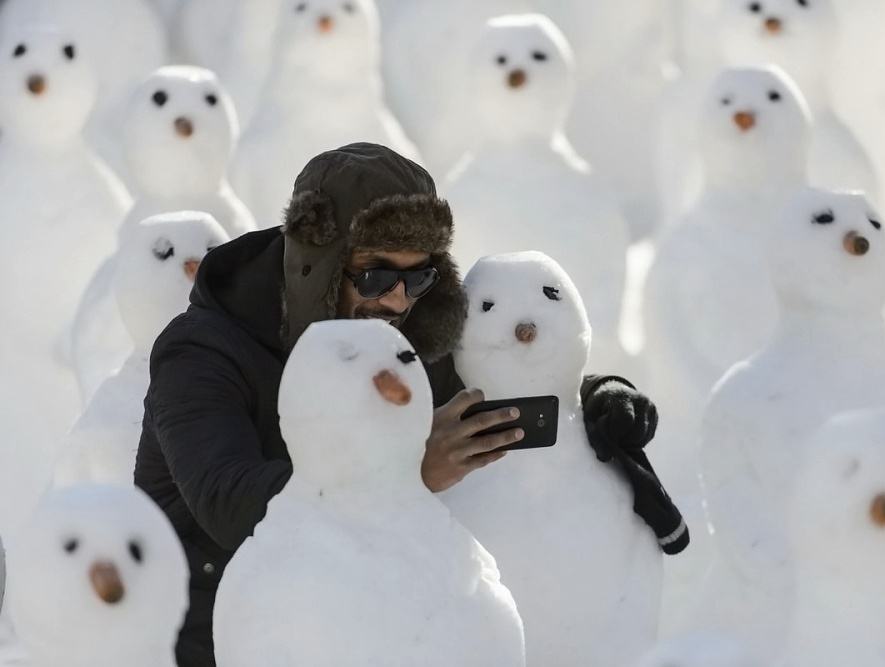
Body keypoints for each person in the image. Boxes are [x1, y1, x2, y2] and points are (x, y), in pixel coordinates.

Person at [135, 143, 669, 666]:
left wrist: (595, 397)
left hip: (362, 622)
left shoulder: (399, 324)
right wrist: (404, 469)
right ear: (316, 261)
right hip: (211, 638)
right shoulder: (202, 352)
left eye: (417, 277)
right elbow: (229, 503)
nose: (395, 299)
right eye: (374, 273)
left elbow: (502, 371)